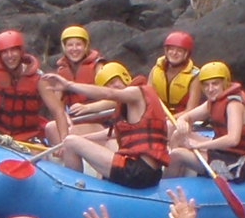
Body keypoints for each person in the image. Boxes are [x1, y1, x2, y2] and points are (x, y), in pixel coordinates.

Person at [51, 60, 172, 188]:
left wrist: (69, 85)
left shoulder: (136, 92)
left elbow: (109, 94)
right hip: (151, 173)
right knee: (73, 142)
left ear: (125, 77)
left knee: (71, 141)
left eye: (115, 81)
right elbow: (110, 133)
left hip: (138, 171)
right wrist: (81, 140)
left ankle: (71, 189)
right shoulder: (134, 107)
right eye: (108, 85)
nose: (113, 87)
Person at [0, 31, 63, 145]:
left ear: (21, 52)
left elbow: (57, 110)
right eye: (5, 52)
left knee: (38, 151)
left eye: (13, 50)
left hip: (27, 136)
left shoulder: (39, 79)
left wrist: (64, 140)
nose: (10, 56)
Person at [179, 60, 245, 179]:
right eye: (206, 85)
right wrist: (182, 122)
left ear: (224, 83)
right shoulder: (215, 101)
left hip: (238, 164)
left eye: (215, 84)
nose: (210, 89)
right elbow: (187, 116)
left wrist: (200, 145)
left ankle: (163, 190)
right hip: (224, 153)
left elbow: (233, 139)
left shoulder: (233, 104)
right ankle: (178, 180)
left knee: (177, 154)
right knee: (178, 135)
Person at [144, 30, 200, 116]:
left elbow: (191, 109)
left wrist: (170, 119)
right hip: (158, 114)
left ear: (186, 54)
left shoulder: (194, 76)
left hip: (182, 117)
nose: (174, 53)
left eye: (179, 51)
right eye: (171, 49)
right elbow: (147, 99)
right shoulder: (156, 70)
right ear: (166, 51)